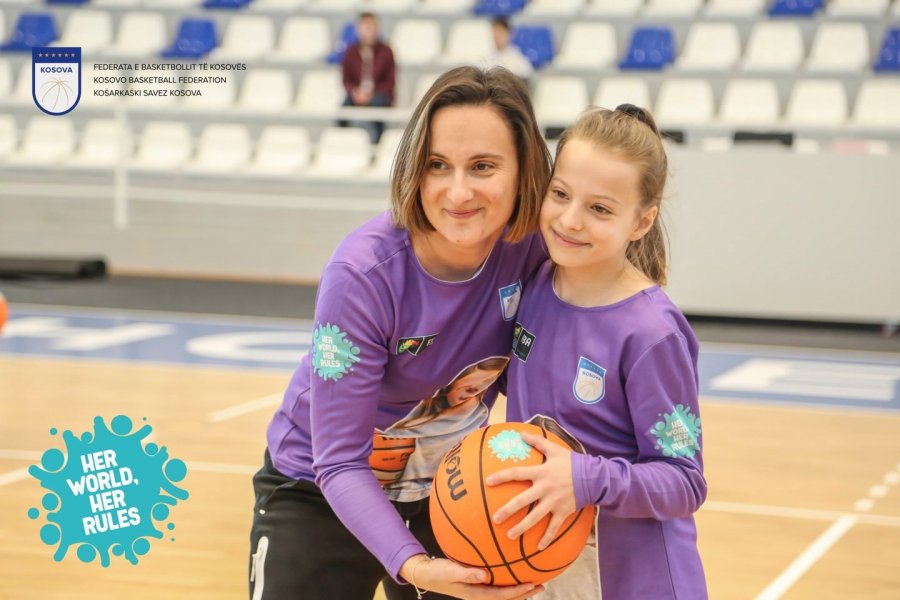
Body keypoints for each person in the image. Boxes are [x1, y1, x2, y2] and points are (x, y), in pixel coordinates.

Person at [249, 66, 552, 600]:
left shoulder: (535, 252)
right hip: (319, 487)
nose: (458, 192)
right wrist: (410, 564)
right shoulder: (362, 275)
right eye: (438, 165)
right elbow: (339, 458)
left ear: (524, 170)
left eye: (483, 166)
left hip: (449, 490)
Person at [488, 105, 708, 599]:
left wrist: (586, 478)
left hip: (635, 582)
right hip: (546, 567)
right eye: (561, 194)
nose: (570, 220)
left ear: (642, 221)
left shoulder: (652, 334)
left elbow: (685, 483)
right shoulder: (534, 287)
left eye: (600, 209)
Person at [370, 356, 510, 491]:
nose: (470, 393)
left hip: (453, 483)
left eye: (479, 389)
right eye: (469, 389)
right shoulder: (419, 407)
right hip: (392, 485)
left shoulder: (476, 412)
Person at [340, 11, 396, 144]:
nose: (369, 31)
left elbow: (390, 81)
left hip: (379, 95)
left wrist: (371, 93)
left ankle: (377, 144)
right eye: (366, 27)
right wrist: (356, 92)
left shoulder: (386, 51)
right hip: (356, 94)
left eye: (372, 27)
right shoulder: (350, 52)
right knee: (343, 109)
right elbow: (346, 79)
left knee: (378, 105)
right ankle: (344, 142)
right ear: (358, 29)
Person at [485, 17, 533, 82]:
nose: (497, 37)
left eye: (500, 33)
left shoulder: (517, 59)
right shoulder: (488, 57)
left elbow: (526, 76)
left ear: (509, 34)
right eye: (495, 33)